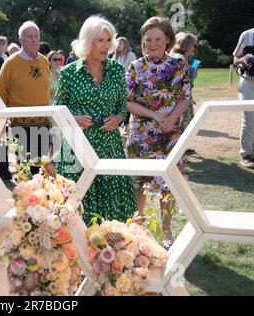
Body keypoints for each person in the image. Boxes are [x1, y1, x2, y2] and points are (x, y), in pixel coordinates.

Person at [54, 16, 137, 225]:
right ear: (88, 41)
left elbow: (122, 105)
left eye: (108, 40)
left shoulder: (117, 70)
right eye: (100, 40)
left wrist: (119, 118)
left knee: (113, 206)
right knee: (77, 203)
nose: (105, 45)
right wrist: (74, 118)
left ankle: (112, 250)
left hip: (109, 145)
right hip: (77, 148)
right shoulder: (68, 73)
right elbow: (57, 110)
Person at [126, 17, 191, 249]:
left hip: (171, 134)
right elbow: (128, 102)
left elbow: (184, 97)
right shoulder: (135, 66)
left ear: (167, 40)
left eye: (157, 39)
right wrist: (154, 116)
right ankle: (138, 225)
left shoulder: (178, 64)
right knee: (138, 182)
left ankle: (166, 229)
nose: (152, 44)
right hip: (142, 134)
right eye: (148, 40)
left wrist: (172, 118)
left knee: (168, 185)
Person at [0, 21, 51, 178]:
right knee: (26, 168)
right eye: (29, 37)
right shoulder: (10, 63)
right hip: (21, 125)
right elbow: (1, 94)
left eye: (36, 36)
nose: (34, 40)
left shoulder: (44, 60)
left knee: (41, 166)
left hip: (44, 123)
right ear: (20, 40)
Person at [170, 32, 199, 154]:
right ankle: (177, 149)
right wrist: (193, 76)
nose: (194, 48)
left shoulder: (178, 57)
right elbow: (180, 81)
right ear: (187, 45)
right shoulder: (180, 59)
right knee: (182, 123)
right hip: (180, 99)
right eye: (193, 45)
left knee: (183, 124)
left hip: (181, 97)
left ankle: (180, 148)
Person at [233, 27, 254, 169]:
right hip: (248, 82)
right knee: (249, 118)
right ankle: (246, 154)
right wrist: (245, 59)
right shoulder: (247, 35)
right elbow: (235, 59)